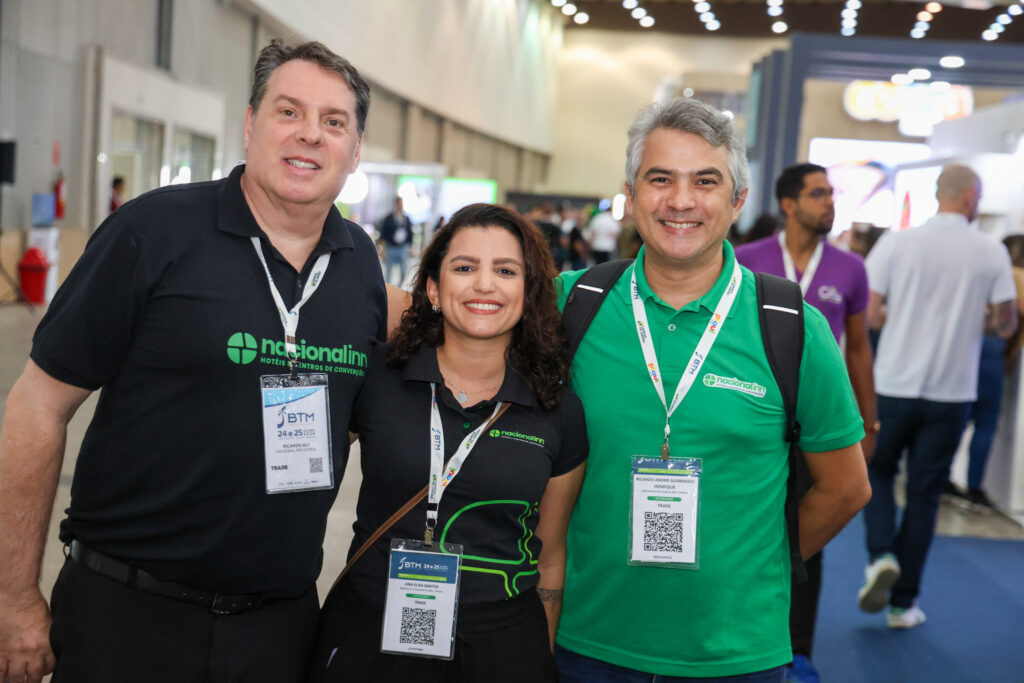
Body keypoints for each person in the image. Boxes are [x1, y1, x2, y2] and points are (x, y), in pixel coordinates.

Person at [0, 39, 385, 683]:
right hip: (125, 617)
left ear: (355, 149)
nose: (311, 135)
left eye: (334, 121)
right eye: (289, 111)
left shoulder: (359, 267)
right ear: (250, 124)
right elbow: (36, 406)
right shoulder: (153, 233)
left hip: (276, 629)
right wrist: (13, 598)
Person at [553, 98, 870, 681]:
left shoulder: (793, 326)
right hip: (587, 643)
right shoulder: (569, 303)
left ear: (737, 200)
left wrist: (756, 566)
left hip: (737, 656)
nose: (680, 201)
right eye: (660, 179)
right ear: (630, 193)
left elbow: (846, 488)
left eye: (705, 181)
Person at [309, 203, 587, 682]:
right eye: (464, 268)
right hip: (370, 630)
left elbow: (551, 551)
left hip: (502, 642)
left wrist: (539, 654)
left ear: (528, 292)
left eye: (505, 270)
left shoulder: (556, 407)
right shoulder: (378, 377)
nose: (484, 285)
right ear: (434, 289)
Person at [736, 163, 876, 683]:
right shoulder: (749, 260)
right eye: (819, 194)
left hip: (820, 426)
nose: (829, 202)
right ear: (789, 203)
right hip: (757, 421)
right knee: (751, 526)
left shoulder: (850, 268)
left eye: (831, 193)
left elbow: (859, 349)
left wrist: (870, 423)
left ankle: (799, 652)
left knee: (811, 530)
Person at [861, 163, 1017, 629]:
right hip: (952, 391)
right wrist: (978, 323)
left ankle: (879, 554)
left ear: (938, 194)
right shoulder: (990, 251)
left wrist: (906, 323)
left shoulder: (898, 242)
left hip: (894, 383)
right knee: (926, 494)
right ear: (970, 197)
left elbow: (870, 314)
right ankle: (901, 604)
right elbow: (1006, 322)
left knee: (879, 470)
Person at [380, 196, 413, 285]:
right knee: (388, 272)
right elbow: (383, 234)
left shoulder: (406, 219)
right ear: (396, 204)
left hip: (402, 248)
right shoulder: (389, 218)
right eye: (399, 203)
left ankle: (400, 286)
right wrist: (383, 249)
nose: (401, 205)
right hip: (390, 247)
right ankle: (389, 290)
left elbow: (410, 233)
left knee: (404, 270)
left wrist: (411, 247)